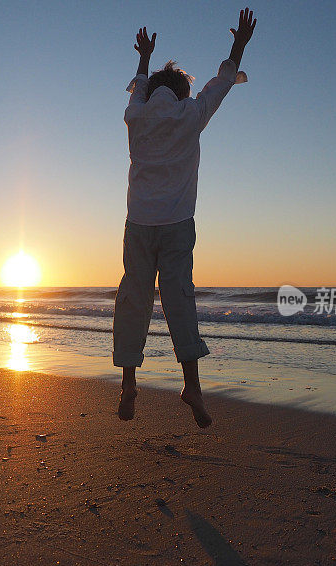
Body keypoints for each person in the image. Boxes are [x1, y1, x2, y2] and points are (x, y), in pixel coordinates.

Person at [113, 8, 257, 427]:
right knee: (179, 299)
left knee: (134, 298)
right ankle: (191, 385)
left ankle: (128, 383)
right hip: (176, 225)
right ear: (179, 92)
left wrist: (143, 56)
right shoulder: (190, 114)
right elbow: (221, 83)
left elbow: (138, 87)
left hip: (138, 223)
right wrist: (240, 44)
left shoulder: (135, 116)